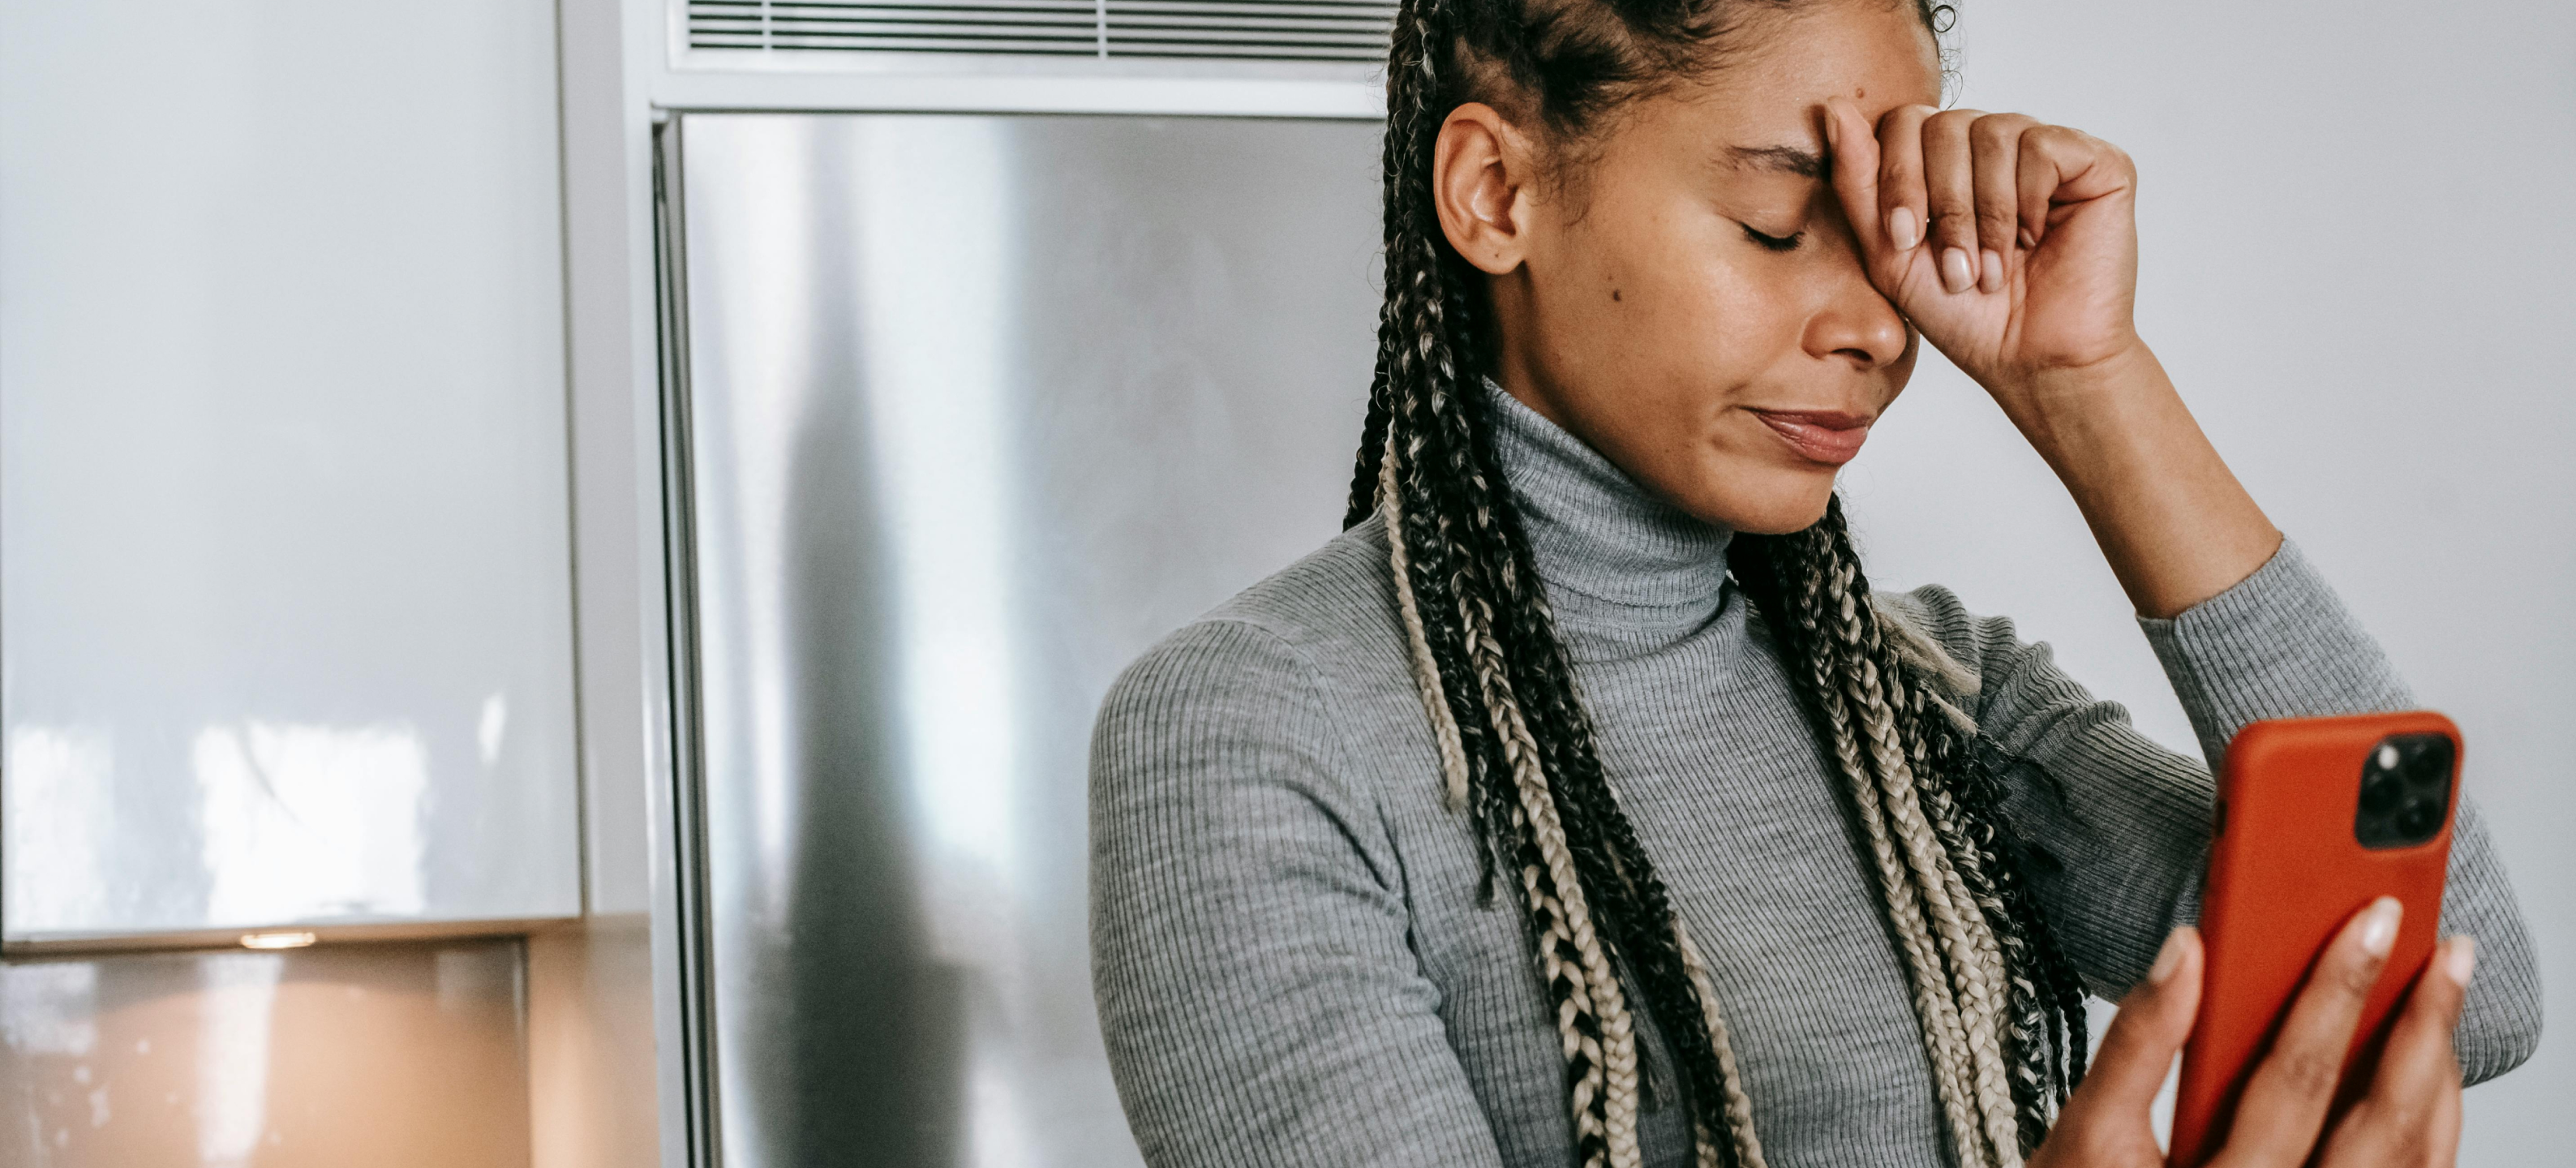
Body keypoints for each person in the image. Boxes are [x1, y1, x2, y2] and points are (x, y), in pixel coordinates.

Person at [1087, 0, 2544, 1164]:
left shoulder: (1930, 699)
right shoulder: (1255, 733)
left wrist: (2088, 380)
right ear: (1496, 191)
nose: (1879, 329)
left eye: (1890, 242)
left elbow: (2446, 977)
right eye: (1780, 226)